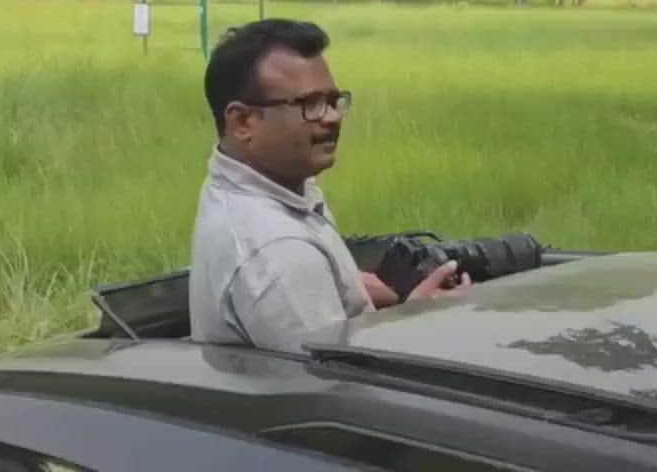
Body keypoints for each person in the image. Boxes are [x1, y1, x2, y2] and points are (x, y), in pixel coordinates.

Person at [188, 19, 469, 354]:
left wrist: (370, 293)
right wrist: (416, 319)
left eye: (333, 101)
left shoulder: (262, 185)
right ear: (243, 122)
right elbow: (340, 386)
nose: (332, 118)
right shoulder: (276, 252)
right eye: (309, 104)